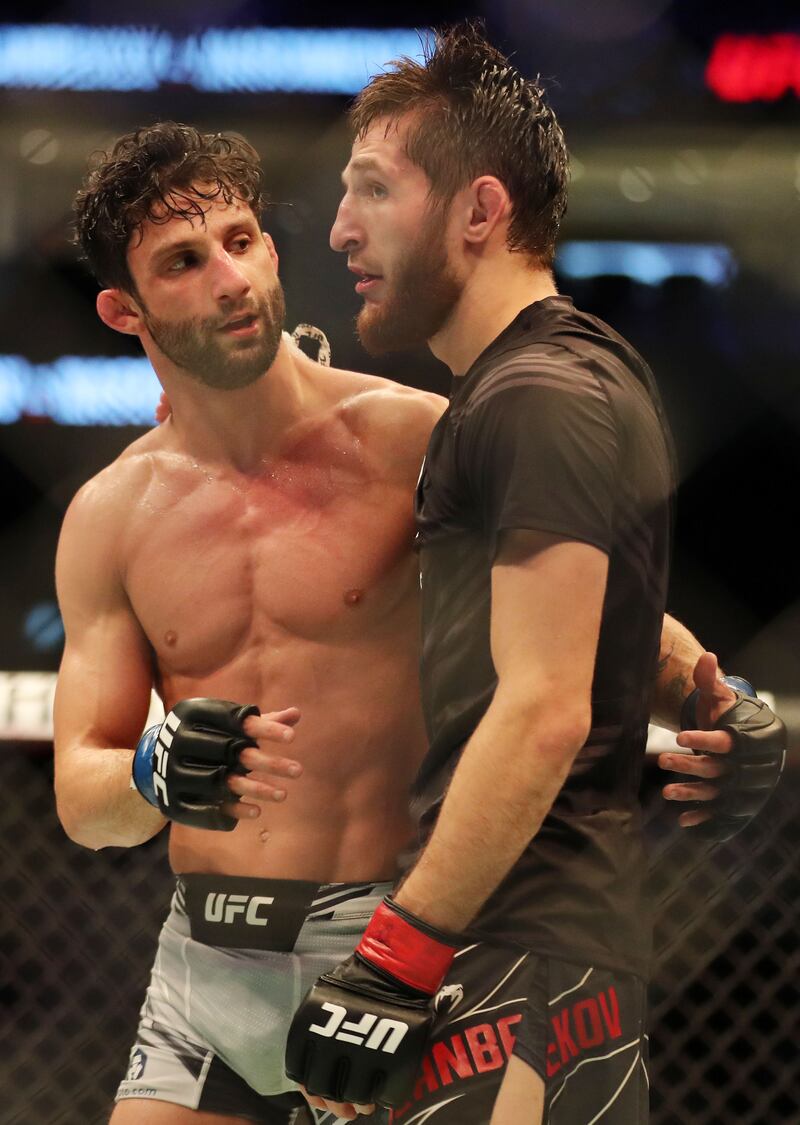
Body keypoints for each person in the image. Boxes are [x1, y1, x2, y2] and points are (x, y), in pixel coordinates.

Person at [57, 120, 780, 1125]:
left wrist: (721, 697)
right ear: (121, 310)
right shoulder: (107, 518)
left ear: (270, 250)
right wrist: (151, 771)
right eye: (182, 262)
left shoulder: (413, 439)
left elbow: (591, 615)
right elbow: (83, 799)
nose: (227, 279)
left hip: (401, 941)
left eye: (238, 241)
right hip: (210, 958)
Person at [285, 24, 786, 1124]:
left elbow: (548, 705)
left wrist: (393, 958)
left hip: (514, 941)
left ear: (477, 209)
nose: (339, 227)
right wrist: (720, 697)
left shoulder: (538, 398)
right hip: (527, 938)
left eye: (373, 188)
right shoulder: (546, 379)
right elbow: (600, 621)